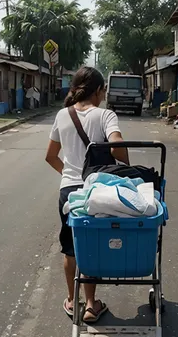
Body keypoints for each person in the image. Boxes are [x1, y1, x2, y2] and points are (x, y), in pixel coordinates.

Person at [45, 67, 129, 323]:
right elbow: (117, 147)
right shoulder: (105, 115)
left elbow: (50, 156)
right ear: (98, 90)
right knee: (93, 244)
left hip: (69, 192)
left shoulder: (62, 115)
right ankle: (92, 304)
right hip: (98, 190)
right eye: (103, 91)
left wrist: (69, 177)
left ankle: (73, 301)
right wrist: (124, 162)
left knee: (71, 248)